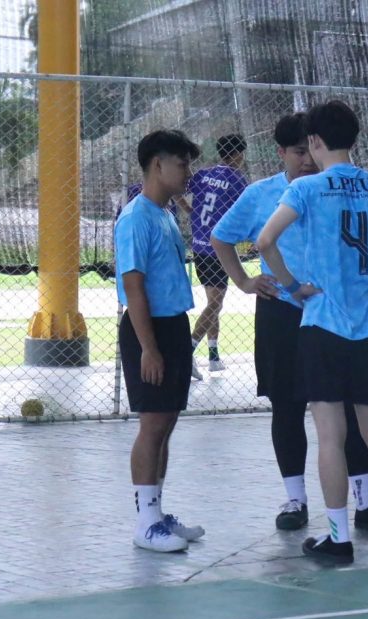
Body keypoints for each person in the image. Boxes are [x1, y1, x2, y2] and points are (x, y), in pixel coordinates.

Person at [257, 100, 368, 563]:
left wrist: (292, 287)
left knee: (330, 436)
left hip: (322, 324)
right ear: (354, 139)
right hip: (367, 326)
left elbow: (264, 241)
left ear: (314, 141)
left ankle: (338, 538)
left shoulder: (306, 188)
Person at [211, 113, 368, 532]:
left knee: (350, 407)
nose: (307, 159)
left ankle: (366, 501)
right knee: (286, 407)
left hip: (335, 314)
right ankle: (295, 499)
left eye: (312, 149)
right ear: (281, 153)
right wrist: (245, 281)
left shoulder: (338, 189)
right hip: (284, 312)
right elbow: (221, 237)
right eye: (298, 151)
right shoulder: (260, 194)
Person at [115, 129, 205, 553]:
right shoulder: (135, 218)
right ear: (157, 165)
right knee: (152, 426)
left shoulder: (165, 214)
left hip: (173, 325)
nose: (188, 172)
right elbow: (134, 288)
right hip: (148, 329)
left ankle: (158, 513)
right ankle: (145, 524)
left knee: (166, 423)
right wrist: (149, 348)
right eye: (182, 164)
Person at [185, 134, 249, 377]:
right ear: (238, 154)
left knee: (213, 302)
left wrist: (190, 211)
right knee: (215, 304)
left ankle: (213, 356)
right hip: (218, 248)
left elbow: (179, 191)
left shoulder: (203, 174)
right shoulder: (237, 180)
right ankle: (188, 350)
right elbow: (243, 212)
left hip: (199, 246)